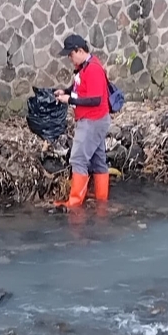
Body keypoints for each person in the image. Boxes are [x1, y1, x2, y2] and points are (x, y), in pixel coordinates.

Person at [52, 34, 111, 208]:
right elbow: (79, 87)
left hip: (92, 120)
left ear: (79, 50)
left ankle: (75, 203)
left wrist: (69, 100)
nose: (70, 58)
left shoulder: (92, 69)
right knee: (98, 160)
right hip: (97, 120)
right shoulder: (85, 67)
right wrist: (65, 91)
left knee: (78, 159)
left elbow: (95, 100)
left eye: (71, 54)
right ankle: (101, 201)